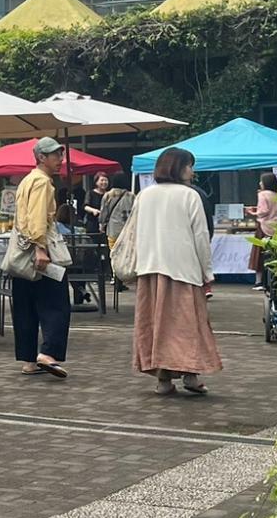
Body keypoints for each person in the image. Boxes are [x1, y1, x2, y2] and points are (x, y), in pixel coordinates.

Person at [133, 147, 223, 395]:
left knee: (155, 326)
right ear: (179, 168)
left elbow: (135, 233)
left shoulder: (144, 196)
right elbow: (201, 238)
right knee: (188, 326)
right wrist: (207, 272)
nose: (192, 172)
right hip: (183, 270)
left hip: (150, 270)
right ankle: (191, 376)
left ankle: (163, 380)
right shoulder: (189, 196)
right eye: (189, 166)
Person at [10, 138, 70, 379]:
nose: (60, 160)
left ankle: (28, 359)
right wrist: (40, 247)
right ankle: (48, 353)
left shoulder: (26, 180)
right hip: (38, 248)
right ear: (41, 157)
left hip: (20, 251)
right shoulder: (43, 182)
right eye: (55, 156)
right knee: (56, 303)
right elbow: (37, 218)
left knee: (25, 306)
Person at [246, 173, 277, 291]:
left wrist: (253, 213)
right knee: (275, 255)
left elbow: (263, 211)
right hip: (276, 227)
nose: (260, 183)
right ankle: (275, 281)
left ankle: (259, 282)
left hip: (263, 227)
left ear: (265, 183)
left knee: (259, 255)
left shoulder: (262, 194)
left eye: (261, 181)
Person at [92, 172, 133, 242]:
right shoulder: (131, 196)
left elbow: (104, 212)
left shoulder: (108, 195)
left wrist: (101, 225)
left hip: (113, 230)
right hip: (128, 229)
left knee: (114, 251)